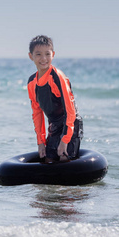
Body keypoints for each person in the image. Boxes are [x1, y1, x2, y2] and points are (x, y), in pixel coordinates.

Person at [27, 35, 83, 163]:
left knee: (64, 158)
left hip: (71, 123)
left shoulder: (58, 77)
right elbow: (37, 114)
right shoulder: (32, 82)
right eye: (38, 54)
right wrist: (40, 142)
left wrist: (65, 139)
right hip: (54, 126)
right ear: (31, 56)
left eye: (47, 54)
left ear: (53, 54)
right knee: (48, 160)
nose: (44, 59)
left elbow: (70, 111)